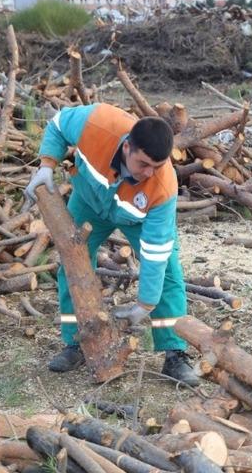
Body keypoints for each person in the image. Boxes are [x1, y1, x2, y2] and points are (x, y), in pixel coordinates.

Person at [22, 103, 199, 386]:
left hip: (137, 219)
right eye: (143, 164)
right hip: (90, 200)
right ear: (127, 147)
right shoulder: (97, 123)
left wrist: (145, 304)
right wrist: (46, 166)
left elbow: (156, 252)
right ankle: (76, 342)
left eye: (158, 166)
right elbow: (57, 124)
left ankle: (174, 353)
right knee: (72, 262)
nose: (149, 173)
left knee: (167, 271)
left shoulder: (163, 187)